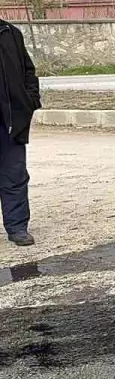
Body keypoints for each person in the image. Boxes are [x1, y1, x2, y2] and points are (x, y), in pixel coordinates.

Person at [0, 20, 39, 246]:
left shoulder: (10, 33)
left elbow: (28, 70)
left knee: (14, 175)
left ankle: (17, 227)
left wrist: (30, 100)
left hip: (9, 120)